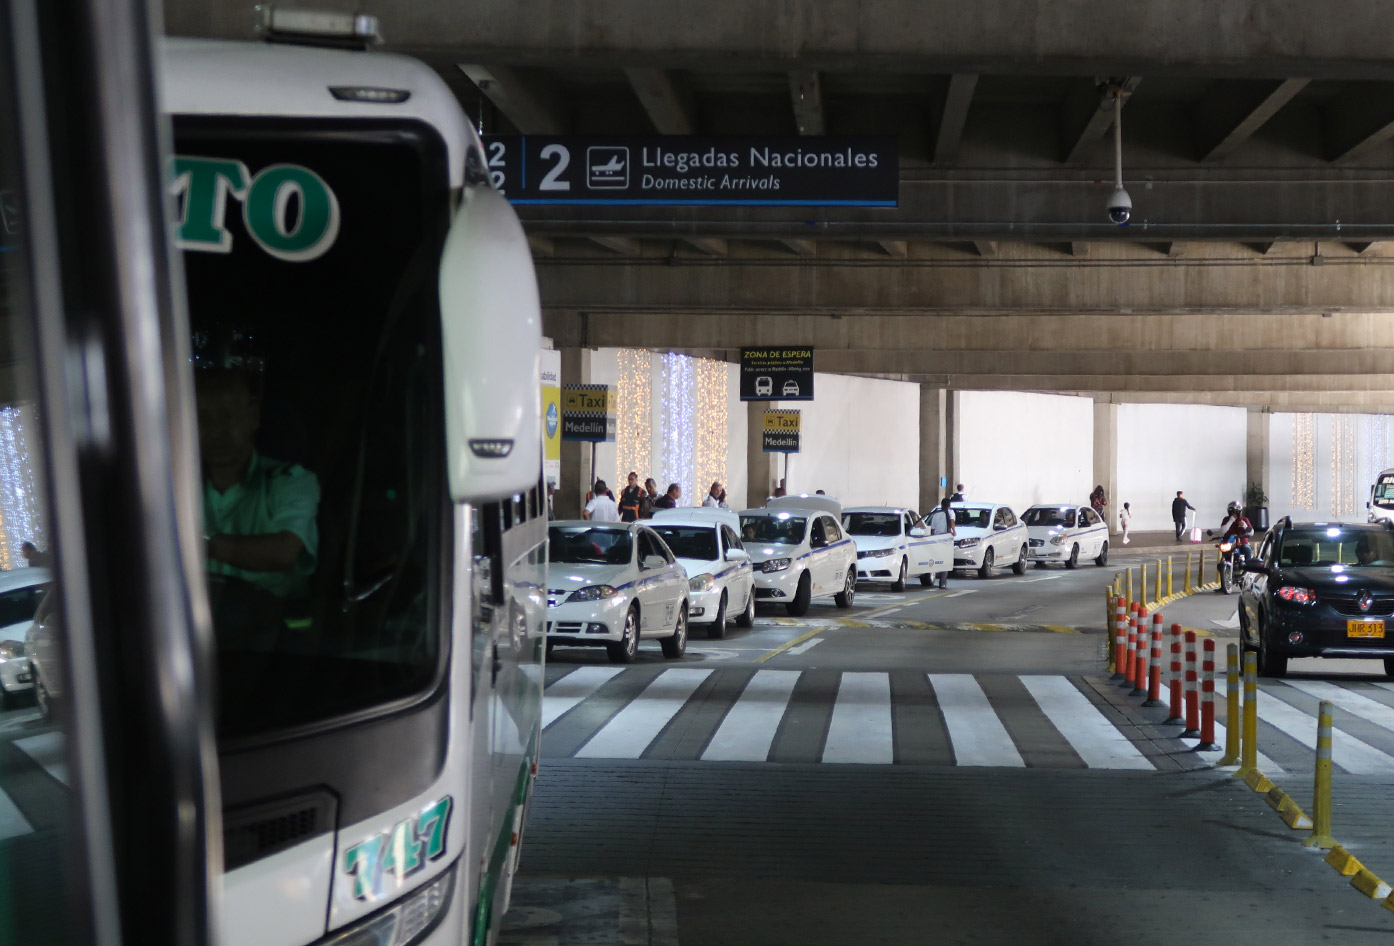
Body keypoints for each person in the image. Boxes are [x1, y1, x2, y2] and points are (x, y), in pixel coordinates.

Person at [197, 367, 320, 600]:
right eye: (203, 419)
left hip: (270, 630)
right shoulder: (177, 490)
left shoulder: (291, 481)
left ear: (253, 417)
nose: (215, 431)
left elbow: (284, 552)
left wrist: (205, 546)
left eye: (226, 416)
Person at [925, 498, 956, 589]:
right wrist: (954, 531)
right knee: (945, 559)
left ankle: (932, 577)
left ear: (941, 505)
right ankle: (942, 582)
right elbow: (952, 522)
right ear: (949, 506)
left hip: (938, 538)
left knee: (936, 558)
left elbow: (933, 529)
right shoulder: (951, 513)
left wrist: (932, 538)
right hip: (946, 538)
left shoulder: (936, 514)